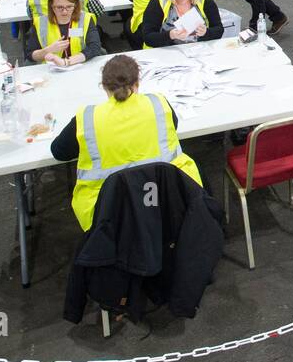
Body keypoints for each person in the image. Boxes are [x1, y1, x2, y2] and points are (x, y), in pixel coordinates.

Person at [48, 56, 202, 231]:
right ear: (137, 83)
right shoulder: (158, 104)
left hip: (111, 211)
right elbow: (172, 127)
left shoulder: (87, 118)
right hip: (167, 197)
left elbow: (59, 151)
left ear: (104, 87)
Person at [24, 0, 104, 66]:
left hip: (80, 66)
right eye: (59, 7)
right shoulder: (41, 22)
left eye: (69, 7)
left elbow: (94, 47)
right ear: (51, 6)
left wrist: (66, 62)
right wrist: (48, 50)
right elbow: (30, 55)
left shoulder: (85, 19)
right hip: (51, 70)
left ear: (76, 5)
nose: (65, 12)